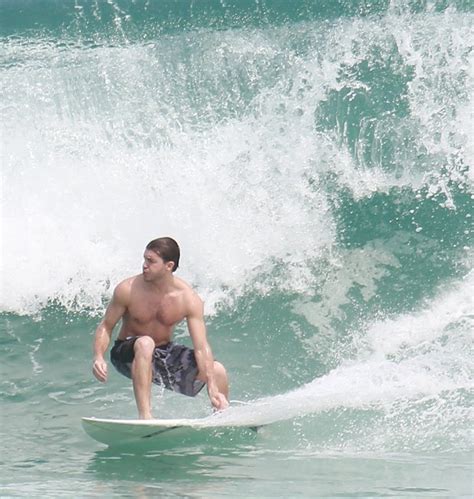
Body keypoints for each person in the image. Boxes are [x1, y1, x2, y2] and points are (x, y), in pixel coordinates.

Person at [92, 237, 229, 419]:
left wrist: (211, 383)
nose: (144, 265)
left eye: (151, 261)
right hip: (126, 353)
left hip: (161, 354)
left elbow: (201, 346)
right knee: (145, 343)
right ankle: (145, 416)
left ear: (169, 266)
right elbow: (106, 326)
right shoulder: (128, 289)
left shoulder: (187, 298)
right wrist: (98, 356)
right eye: (145, 259)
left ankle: (221, 413)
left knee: (217, 369)